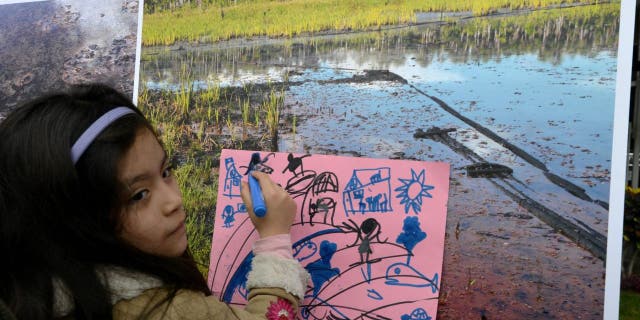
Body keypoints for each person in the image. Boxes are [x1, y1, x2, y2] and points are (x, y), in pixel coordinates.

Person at [0, 83, 309, 319]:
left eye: (166, 171)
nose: (174, 200)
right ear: (71, 220)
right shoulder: (167, 311)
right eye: (138, 195)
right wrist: (274, 238)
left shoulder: (28, 287)